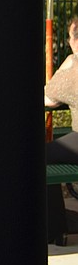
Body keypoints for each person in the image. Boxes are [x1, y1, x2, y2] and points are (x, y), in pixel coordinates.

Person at [45, 16, 78, 244]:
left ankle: (56, 229)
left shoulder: (74, 70)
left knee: (40, 156)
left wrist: (68, 63)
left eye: (69, 37)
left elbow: (48, 98)